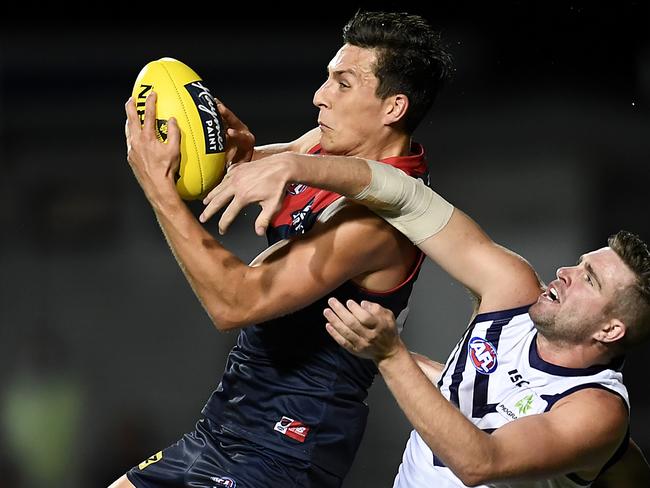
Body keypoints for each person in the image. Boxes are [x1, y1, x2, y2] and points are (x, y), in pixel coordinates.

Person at [114, 10, 453, 488]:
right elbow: (249, 172)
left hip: (285, 449)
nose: (320, 95)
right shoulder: (329, 148)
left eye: (343, 83)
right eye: (327, 78)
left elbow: (235, 302)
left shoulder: (378, 223)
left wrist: (158, 191)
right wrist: (228, 153)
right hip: (224, 425)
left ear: (393, 108)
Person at [199, 150, 650, 486]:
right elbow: (409, 200)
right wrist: (293, 164)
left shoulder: (597, 409)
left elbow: (479, 463)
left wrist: (391, 354)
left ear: (611, 330)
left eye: (589, 279)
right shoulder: (512, 294)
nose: (567, 272)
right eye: (580, 263)